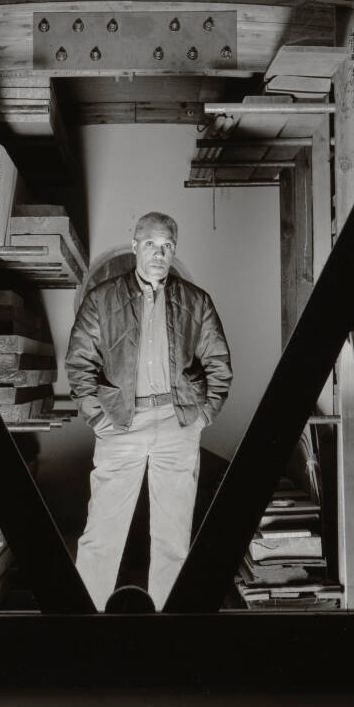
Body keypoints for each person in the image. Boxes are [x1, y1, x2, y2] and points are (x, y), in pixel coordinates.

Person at [66, 211, 232, 610]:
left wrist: (203, 417)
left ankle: (167, 627)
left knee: (173, 537)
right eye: (151, 244)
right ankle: (83, 625)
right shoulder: (102, 298)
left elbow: (218, 363)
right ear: (135, 245)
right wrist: (98, 417)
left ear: (174, 250)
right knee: (102, 534)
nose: (159, 254)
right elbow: (79, 362)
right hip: (121, 422)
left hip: (178, 423)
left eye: (167, 246)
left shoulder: (196, 301)